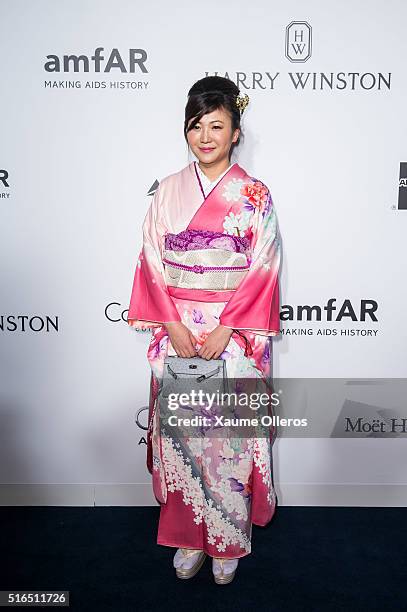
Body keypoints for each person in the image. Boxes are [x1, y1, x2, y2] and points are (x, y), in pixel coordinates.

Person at [127, 76, 281, 585]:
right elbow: (151, 259)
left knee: (227, 441)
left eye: (218, 125)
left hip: (231, 336)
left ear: (236, 132)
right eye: (196, 125)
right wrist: (171, 322)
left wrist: (229, 329)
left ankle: (228, 540)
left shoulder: (254, 195)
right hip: (179, 329)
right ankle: (187, 536)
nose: (205, 135)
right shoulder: (167, 190)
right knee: (182, 438)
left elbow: (264, 265)